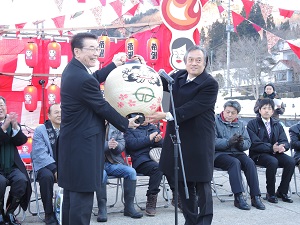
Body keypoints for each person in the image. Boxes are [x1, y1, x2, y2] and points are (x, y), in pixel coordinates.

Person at [57, 32, 140, 225]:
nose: (96, 53)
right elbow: (102, 107)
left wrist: (113, 65)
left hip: (73, 145)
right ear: (77, 51)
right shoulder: (81, 77)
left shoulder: (73, 70)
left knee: (72, 194)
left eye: (98, 49)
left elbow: (93, 79)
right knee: (82, 198)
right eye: (91, 49)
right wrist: (126, 123)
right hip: (83, 147)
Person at [148, 45, 218, 225]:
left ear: (205, 62)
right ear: (185, 61)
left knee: (201, 182)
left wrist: (166, 115)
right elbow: (158, 84)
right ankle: (190, 219)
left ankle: (204, 221)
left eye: (198, 60)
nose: (194, 63)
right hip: (176, 136)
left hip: (199, 138)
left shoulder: (209, 83)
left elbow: (194, 107)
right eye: (190, 60)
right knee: (179, 180)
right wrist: (145, 70)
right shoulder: (178, 76)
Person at [214, 100, 265, 210]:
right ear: (223, 110)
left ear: (237, 114)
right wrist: (228, 142)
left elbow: (248, 142)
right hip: (219, 154)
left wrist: (241, 143)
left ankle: (255, 196)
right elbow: (211, 141)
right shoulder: (215, 121)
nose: (230, 115)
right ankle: (238, 196)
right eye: (227, 112)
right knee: (234, 163)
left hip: (237, 152)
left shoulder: (240, 124)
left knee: (250, 163)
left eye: (233, 113)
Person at [247, 98, 294, 204]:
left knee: (290, 161)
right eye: (264, 108)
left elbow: (285, 141)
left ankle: (282, 191)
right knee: (272, 161)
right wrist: (271, 148)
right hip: (258, 154)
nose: (266, 111)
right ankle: (270, 193)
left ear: (273, 111)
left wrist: (283, 147)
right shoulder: (252, 124)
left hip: (275, 153)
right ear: (259, 110)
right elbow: (254, 143)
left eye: (269, 108)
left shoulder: (277, 124)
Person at [96, 122, 143, 222]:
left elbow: (122, 143)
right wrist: (107, 145)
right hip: (96, 164)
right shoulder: (93, 125)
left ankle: (129, 207)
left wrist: (116, 146)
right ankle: (102, 209)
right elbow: (90, 146)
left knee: (131, 172)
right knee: (102, 175)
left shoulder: (114, 126)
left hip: (113, 163)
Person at [0, 96, 32, 225]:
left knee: (21, 180)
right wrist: (4, 126)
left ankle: (10, 212)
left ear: (6, 108)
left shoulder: (12, 122)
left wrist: (14, 126)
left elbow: (21, 141)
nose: (0, 107)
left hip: (13, 166)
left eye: (2, 105)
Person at [124, 121, 164, 216]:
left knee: (172, 164)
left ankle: (176, 196)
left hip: (156, 158)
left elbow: (162, 146)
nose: (147, 118)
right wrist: (149, 139)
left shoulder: (153, 128)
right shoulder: (131, 128)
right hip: (141, 160)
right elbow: (131, 145)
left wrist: (159, 141)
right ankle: (151, 200)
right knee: (158, 168)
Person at [31, 103, 61, 225]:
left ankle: (71, 207)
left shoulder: (68, 128)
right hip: (45, 166)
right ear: (48, 115)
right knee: (46, 176)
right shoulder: (40, 130)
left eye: (61, 112)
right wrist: (55, 170)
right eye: (56, 112)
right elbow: (40, 154)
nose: (60, 115)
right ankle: (48, 213)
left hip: (64, 164)